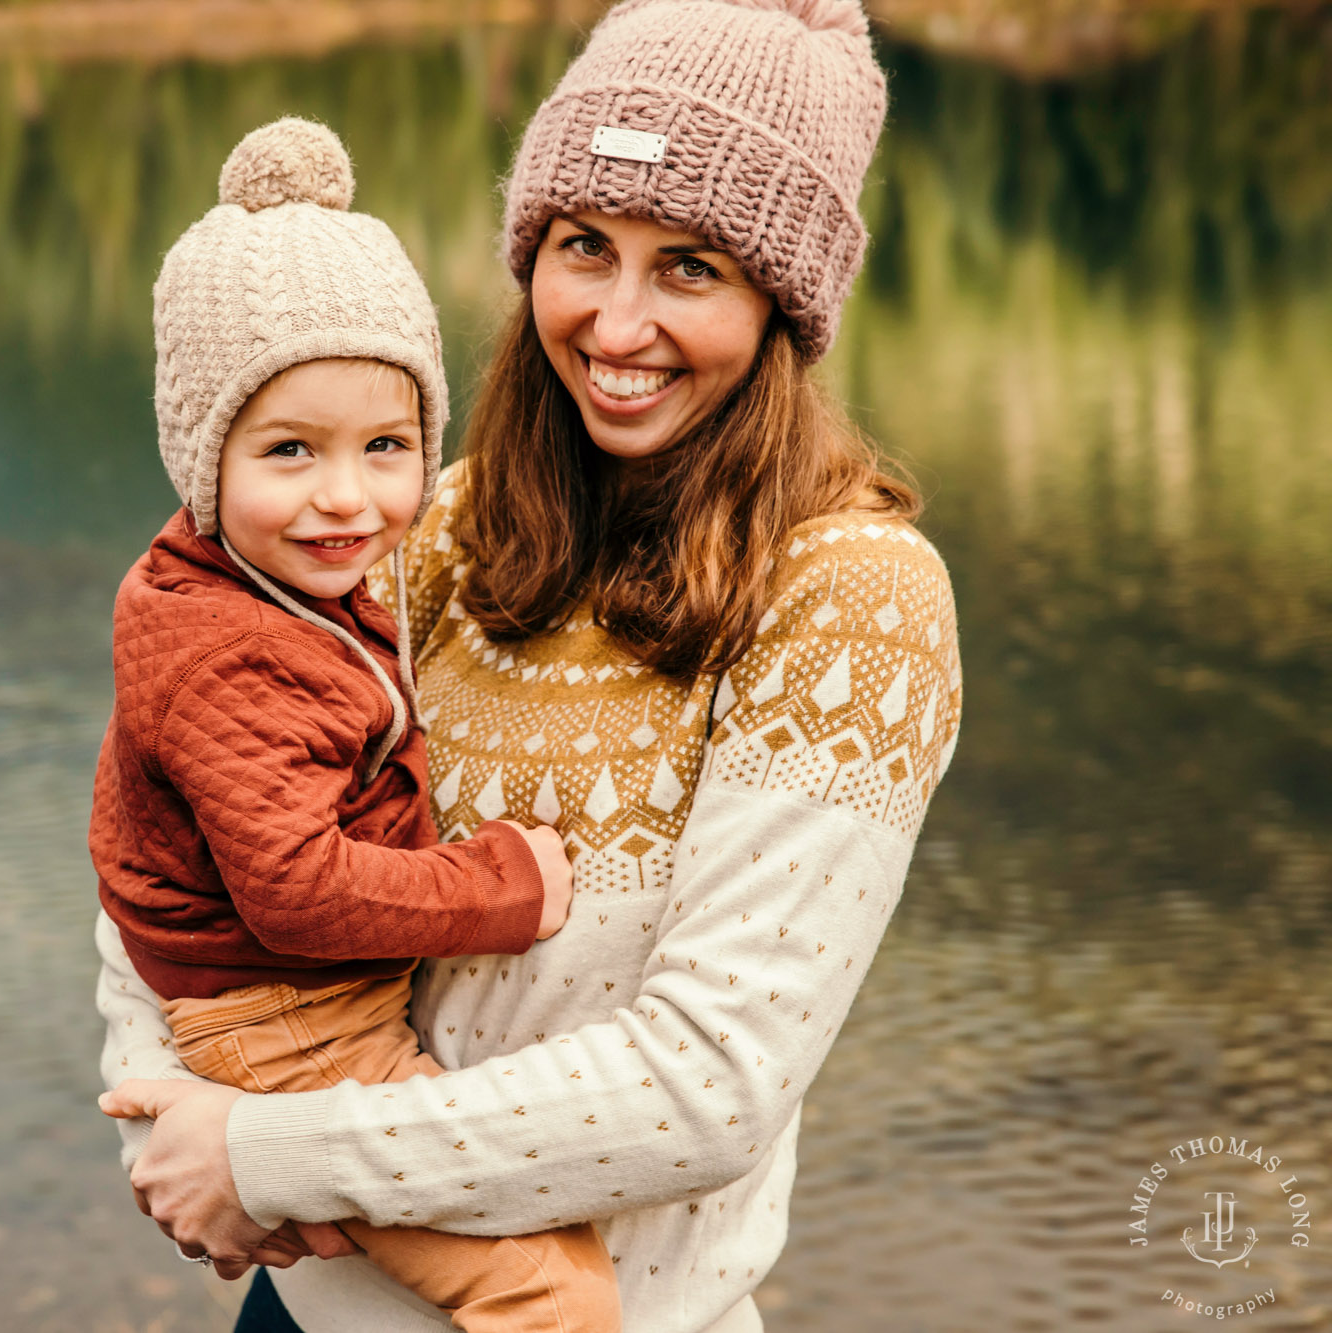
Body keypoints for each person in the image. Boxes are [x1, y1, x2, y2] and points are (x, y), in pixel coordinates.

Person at [96, 1, 965, 1329]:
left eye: (692, 267)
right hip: (306, 1307)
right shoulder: (438, 524)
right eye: (584, 248)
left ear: (783, 300)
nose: (616, 324)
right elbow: (177, 796)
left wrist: (262, 1155)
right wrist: (163, 1118)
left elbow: (705, 1084)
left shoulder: (850, 600)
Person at [91, 118, 623, 1332]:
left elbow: (144, 818)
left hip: (287, 1011)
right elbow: (291, 890)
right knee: (554, 1300)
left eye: (388, 448)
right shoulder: (227, 643)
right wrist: (499, 888)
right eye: (289, 450)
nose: (347, 496)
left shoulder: (269, 582)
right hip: (289, 1019)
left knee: (517, 1258)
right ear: (200, 456)